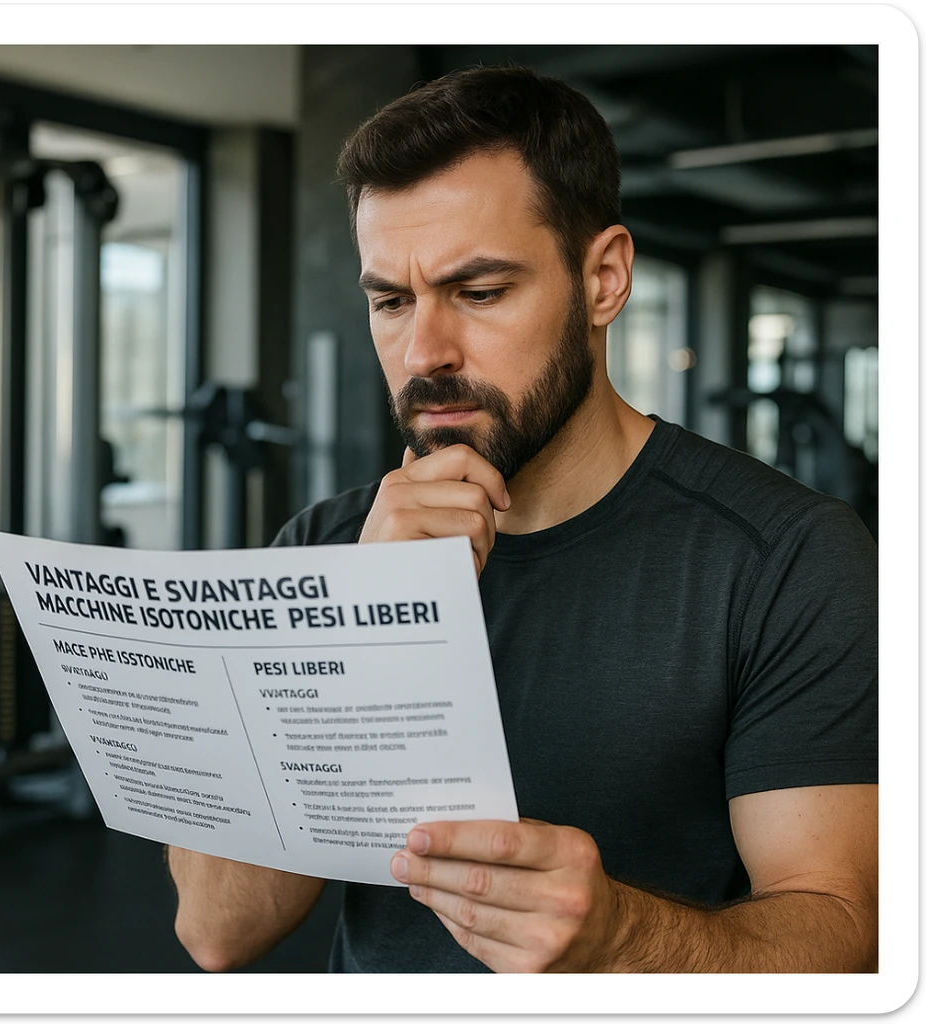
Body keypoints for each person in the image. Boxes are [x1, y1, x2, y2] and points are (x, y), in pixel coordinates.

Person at [167, 65, 878, 974]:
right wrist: (351, 629)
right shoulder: (322, 547)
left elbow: (847, 933)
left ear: (604, 279)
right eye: (391, 300)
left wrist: (621, 939)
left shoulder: (788, 559)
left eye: (480, 291)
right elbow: (219, 929)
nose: (425, 353)